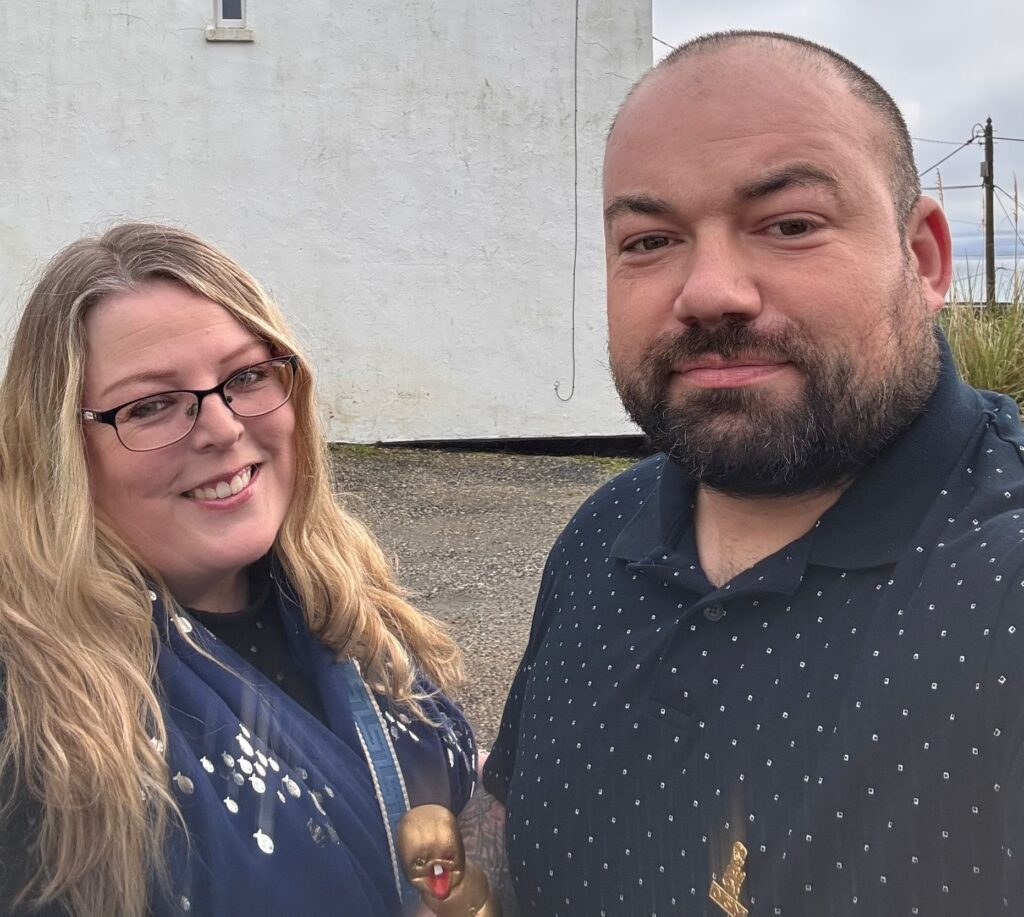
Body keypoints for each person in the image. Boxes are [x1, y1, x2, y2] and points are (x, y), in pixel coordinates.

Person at [481, 31, 1024, 915]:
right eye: (650, 240)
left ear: (923, 258)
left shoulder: (1002, 595)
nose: (710, 291)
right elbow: (509, 847)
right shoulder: (598, 534)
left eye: (790, 225)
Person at [0, 223, 476, 916]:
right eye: (151, 404)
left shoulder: (349, 605)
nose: (223, 427)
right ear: (60, 453)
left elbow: (447, 812)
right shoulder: (31, 714)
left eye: (247, 375)